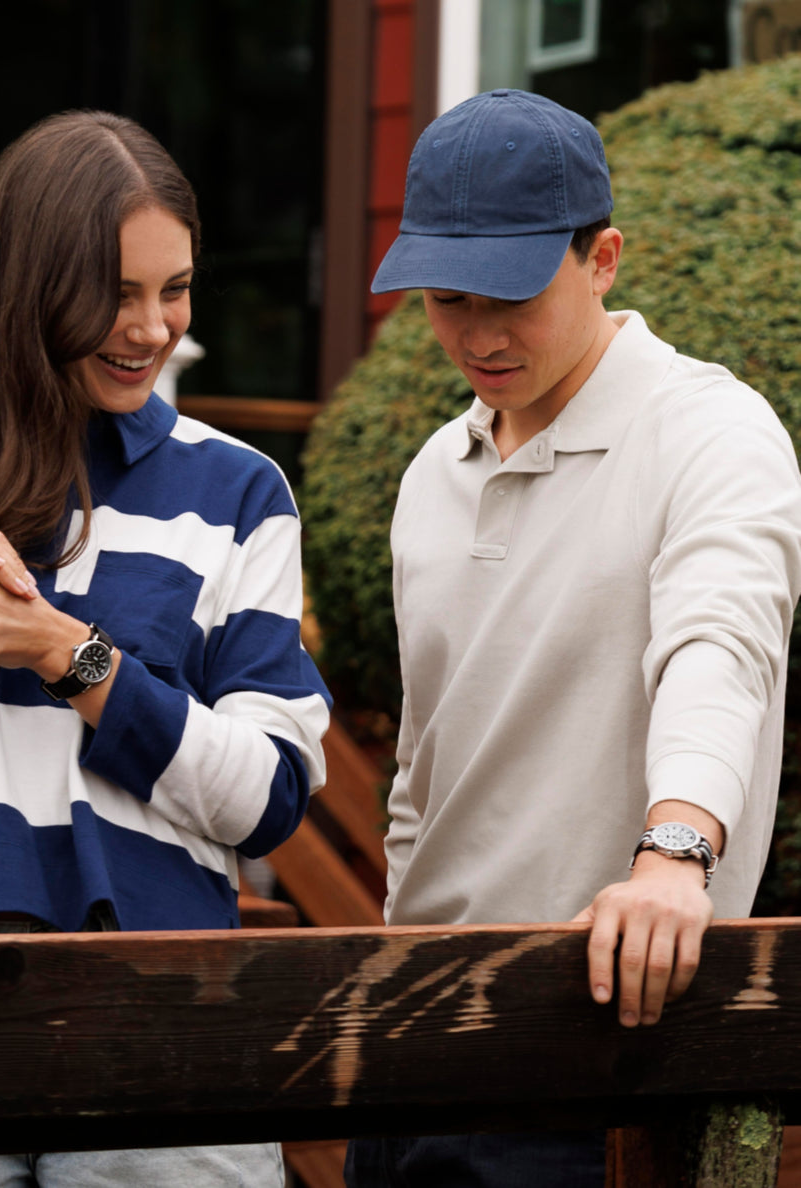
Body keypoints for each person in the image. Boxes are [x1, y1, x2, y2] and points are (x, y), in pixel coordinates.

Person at [0, 109, 331, 1187]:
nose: (151, 328)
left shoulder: (240, 492)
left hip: (170, 1018)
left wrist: (71, 657)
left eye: (175, 289)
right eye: (115, 294)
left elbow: (271, 799)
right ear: (27, 288)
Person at [344, 89, 801, 1187]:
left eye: (512, 296)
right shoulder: (431, 474)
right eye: (447, 300)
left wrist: (675, 857)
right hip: (412, 1056)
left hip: (603, 1058)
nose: (478, 336)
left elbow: (718, 648)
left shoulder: (712, 432)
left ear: (603, 259)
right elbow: (424, 763)